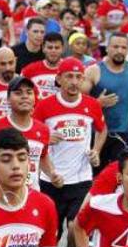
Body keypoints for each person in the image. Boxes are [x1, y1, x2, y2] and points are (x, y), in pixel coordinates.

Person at [35, 58, 106, 237]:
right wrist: (45, 138)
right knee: (53, 233)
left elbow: (102, 129)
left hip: (81, 178)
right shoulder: (44, 106)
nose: (74, 82)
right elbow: (32, 135)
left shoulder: (92, 105)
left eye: (78, 77)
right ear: (59, 79)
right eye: (69, 76)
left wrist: (96, 150)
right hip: (52, 179)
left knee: (76, 228)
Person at [83, 32, 128, 156]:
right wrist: (97, 103)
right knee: (96, 167)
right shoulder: (93, 71)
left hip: (123, 132)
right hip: (96, 132)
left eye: (123, 47)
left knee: (119, 167)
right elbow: (79, 100)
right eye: (115, 47)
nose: (119, 51)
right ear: (107, 48)